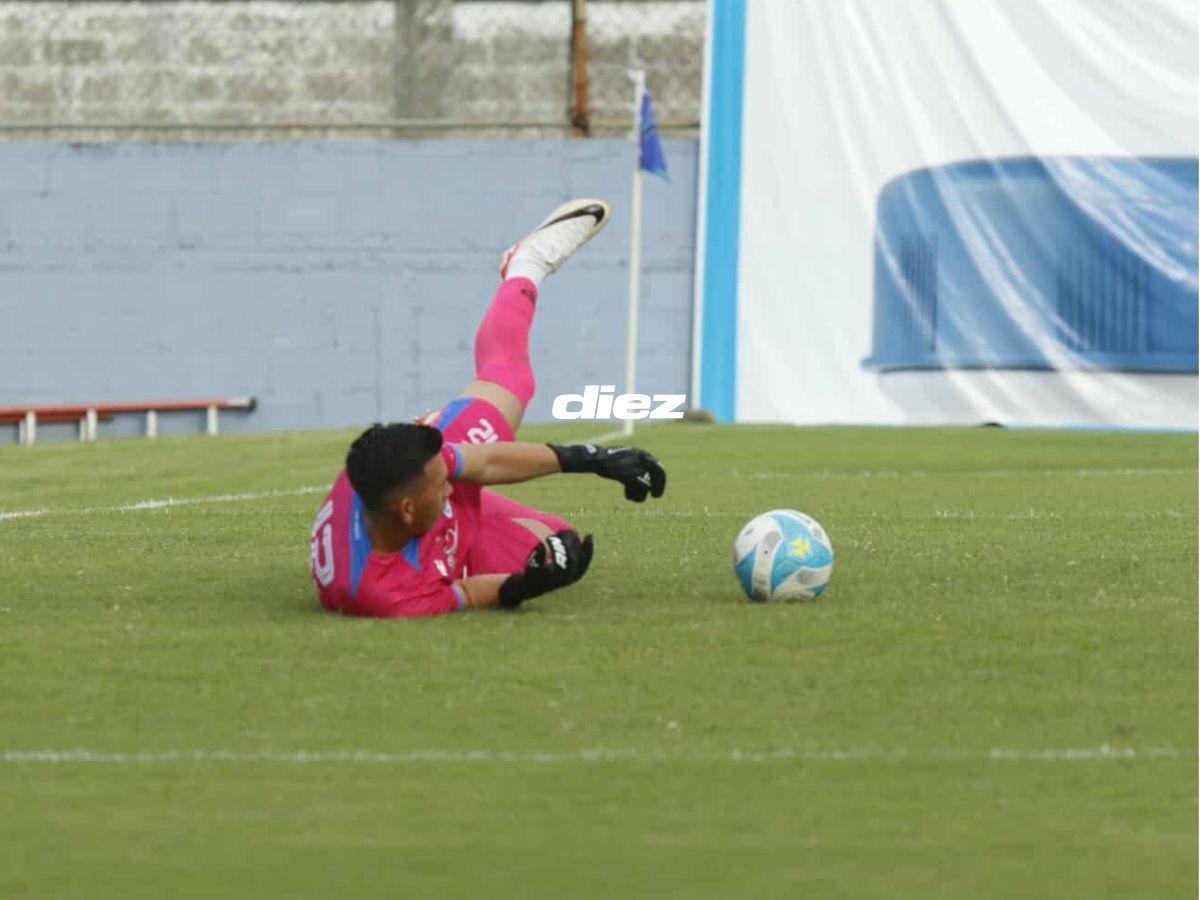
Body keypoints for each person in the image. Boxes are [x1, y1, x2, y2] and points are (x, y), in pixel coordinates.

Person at [309, 199, 667, 617]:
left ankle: (526, 265)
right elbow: (469, 592)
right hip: (448, 542)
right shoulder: (389, 595)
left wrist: (591, 458)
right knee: (556, 546)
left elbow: (488, 461)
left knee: (512, 377)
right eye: (442, 485)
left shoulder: (400, 475)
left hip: (423, 520)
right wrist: (522, 586)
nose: (451, 483)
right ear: (406, 510)